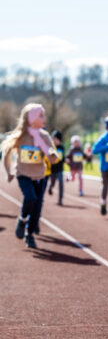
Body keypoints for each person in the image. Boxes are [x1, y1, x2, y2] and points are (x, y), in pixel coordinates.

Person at [2, 103, 58, 248]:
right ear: (31, 118)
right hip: (23, 174)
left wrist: (52, 155)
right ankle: (22, 220)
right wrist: (8, 172)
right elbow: (6, 152)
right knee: (30, 197)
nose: (44, 118)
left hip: (40, 176)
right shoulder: (21, 136)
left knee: (37, 208)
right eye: (41, 115)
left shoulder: (44, 136)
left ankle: (30, 234)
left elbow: (52, 155)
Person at [48, 130, 65, 205]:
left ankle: (60, 200)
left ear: (59, 139)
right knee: (53, 183)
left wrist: (66, 160)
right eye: (53, 139)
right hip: (52, 169)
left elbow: (62, 158)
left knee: (61, 183)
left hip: (60, 169)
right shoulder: (50, 147)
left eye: (56, 139)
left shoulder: (61, 148)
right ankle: (50, 187)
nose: (55, 140)